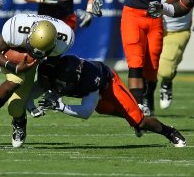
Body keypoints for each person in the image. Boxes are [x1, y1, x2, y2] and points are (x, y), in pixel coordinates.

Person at [34, 55, 186, 147]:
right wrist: (34, 107)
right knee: (104, 110)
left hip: (109, 85)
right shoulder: (53, 73)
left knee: (139, 121)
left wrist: (59, 105)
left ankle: (170, 132)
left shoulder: (90, 78)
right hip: (93, 90)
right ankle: (131, 116)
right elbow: (36, 92)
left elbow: (86, 112)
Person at [0, 13, 75, 148]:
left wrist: (50, 88)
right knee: (15, 80)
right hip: (14, 56)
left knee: (15, 108)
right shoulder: (16, 28)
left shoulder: (65, 38)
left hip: (33, 62)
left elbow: (49, 67)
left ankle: (19, 122)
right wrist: (14, 67)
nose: (35, 52)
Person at [147, 0, 194, 109]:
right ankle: (146, 100)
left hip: (178, 30)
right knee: (147, 66)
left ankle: (166, 82)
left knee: (165, 70)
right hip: (156, 27)